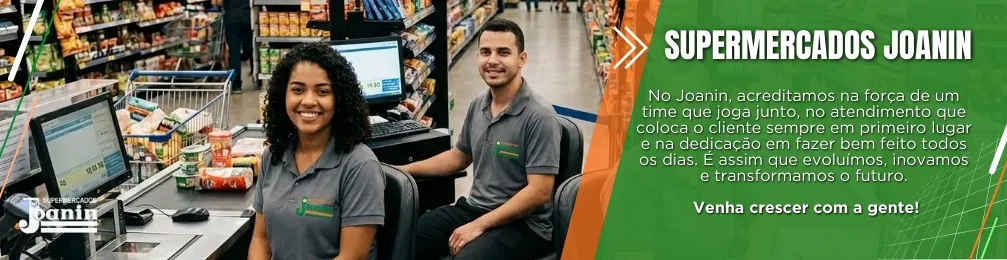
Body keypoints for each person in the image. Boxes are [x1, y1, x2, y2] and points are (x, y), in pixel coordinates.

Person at [399, 18, 560, 260]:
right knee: (409, 238)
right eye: (485, 52)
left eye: (503, 52)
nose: (492, 60)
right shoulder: (479, 104)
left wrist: (480, 225)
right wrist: (403, 171)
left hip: (524, 225)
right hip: (475, 208)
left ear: (522, 59)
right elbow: (458, 157)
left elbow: (539, 192)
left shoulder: (539, 116)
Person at [249, 43, 385, 260]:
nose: (309, 101)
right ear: (282, 95)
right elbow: (261, 240)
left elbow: (352, 257)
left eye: (322, 91)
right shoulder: (273, 156)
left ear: (339, 99)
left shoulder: (360, 166)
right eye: (298, 90)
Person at [217, 0, 254, 93]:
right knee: (251, 48)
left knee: (234, 52)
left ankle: (236, 85)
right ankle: (257, 77)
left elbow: (217, 2)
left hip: (231, 19)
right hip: (248, 16)